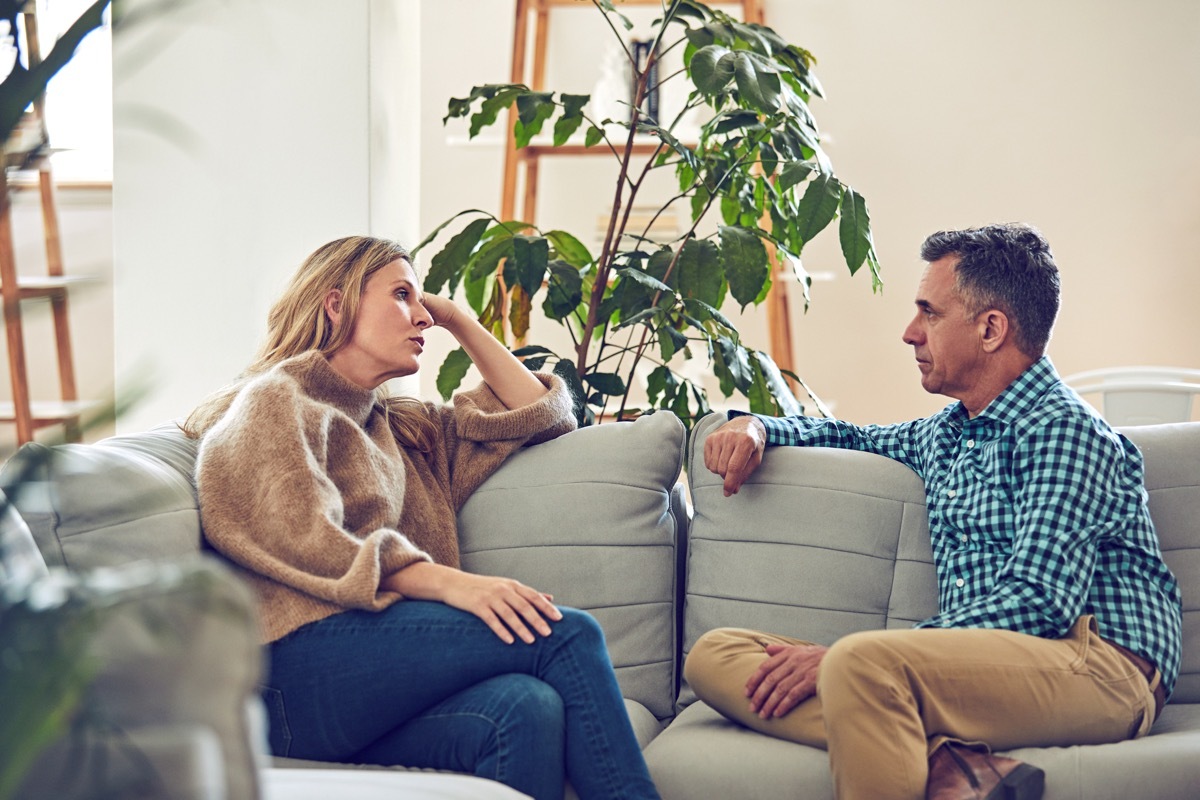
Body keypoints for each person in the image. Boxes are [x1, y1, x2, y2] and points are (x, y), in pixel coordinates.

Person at [687, 223, 1182, 800]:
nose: (909, 333)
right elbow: (845, 434)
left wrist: (856, 661)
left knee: (857, 666)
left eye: (929, 312)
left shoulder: (1066, 431)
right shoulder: (945, 435)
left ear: (990, 328)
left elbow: (1041, 601)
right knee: (715, 656)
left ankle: (883, 699)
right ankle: (949, 762)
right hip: (978, 669)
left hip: (1099, 665)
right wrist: (759, 424)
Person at [184, 236, 661, 800]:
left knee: (525, 709)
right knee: (565, 634)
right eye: (402, 296)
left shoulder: (404, 431)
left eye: (423, 301)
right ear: (336, 305)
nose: (421, 318)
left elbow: (545, 414)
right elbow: (300, 533)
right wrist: (449, 583)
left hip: (365, 683)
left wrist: (457, 317)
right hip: (288, 674)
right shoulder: (275, 401)